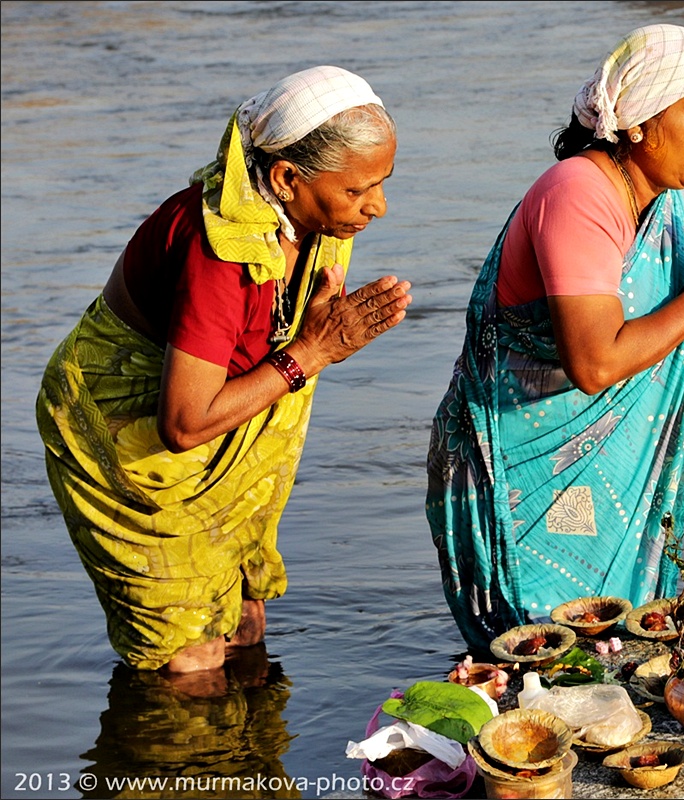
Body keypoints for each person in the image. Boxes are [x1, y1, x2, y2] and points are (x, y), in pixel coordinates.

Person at [36, 65, 413, 675]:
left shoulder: (311, 219)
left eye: (383, 183)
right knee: (189, 654)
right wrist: (310, 352)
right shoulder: (220, 252)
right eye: (357, 191)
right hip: (123, 434)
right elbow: (182, 426)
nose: (378, 207)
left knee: (243, 623)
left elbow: (274, 333)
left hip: (224, 415)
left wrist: (311, 328)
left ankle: (251, 762)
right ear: (287, 178)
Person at [426, 24, 684, 651]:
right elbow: (595, 361)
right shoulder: (578, 193)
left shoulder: (678, 196)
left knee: (615, 650)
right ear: (638, 120)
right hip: (522, 465)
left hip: (611, 470)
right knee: (543, 651)